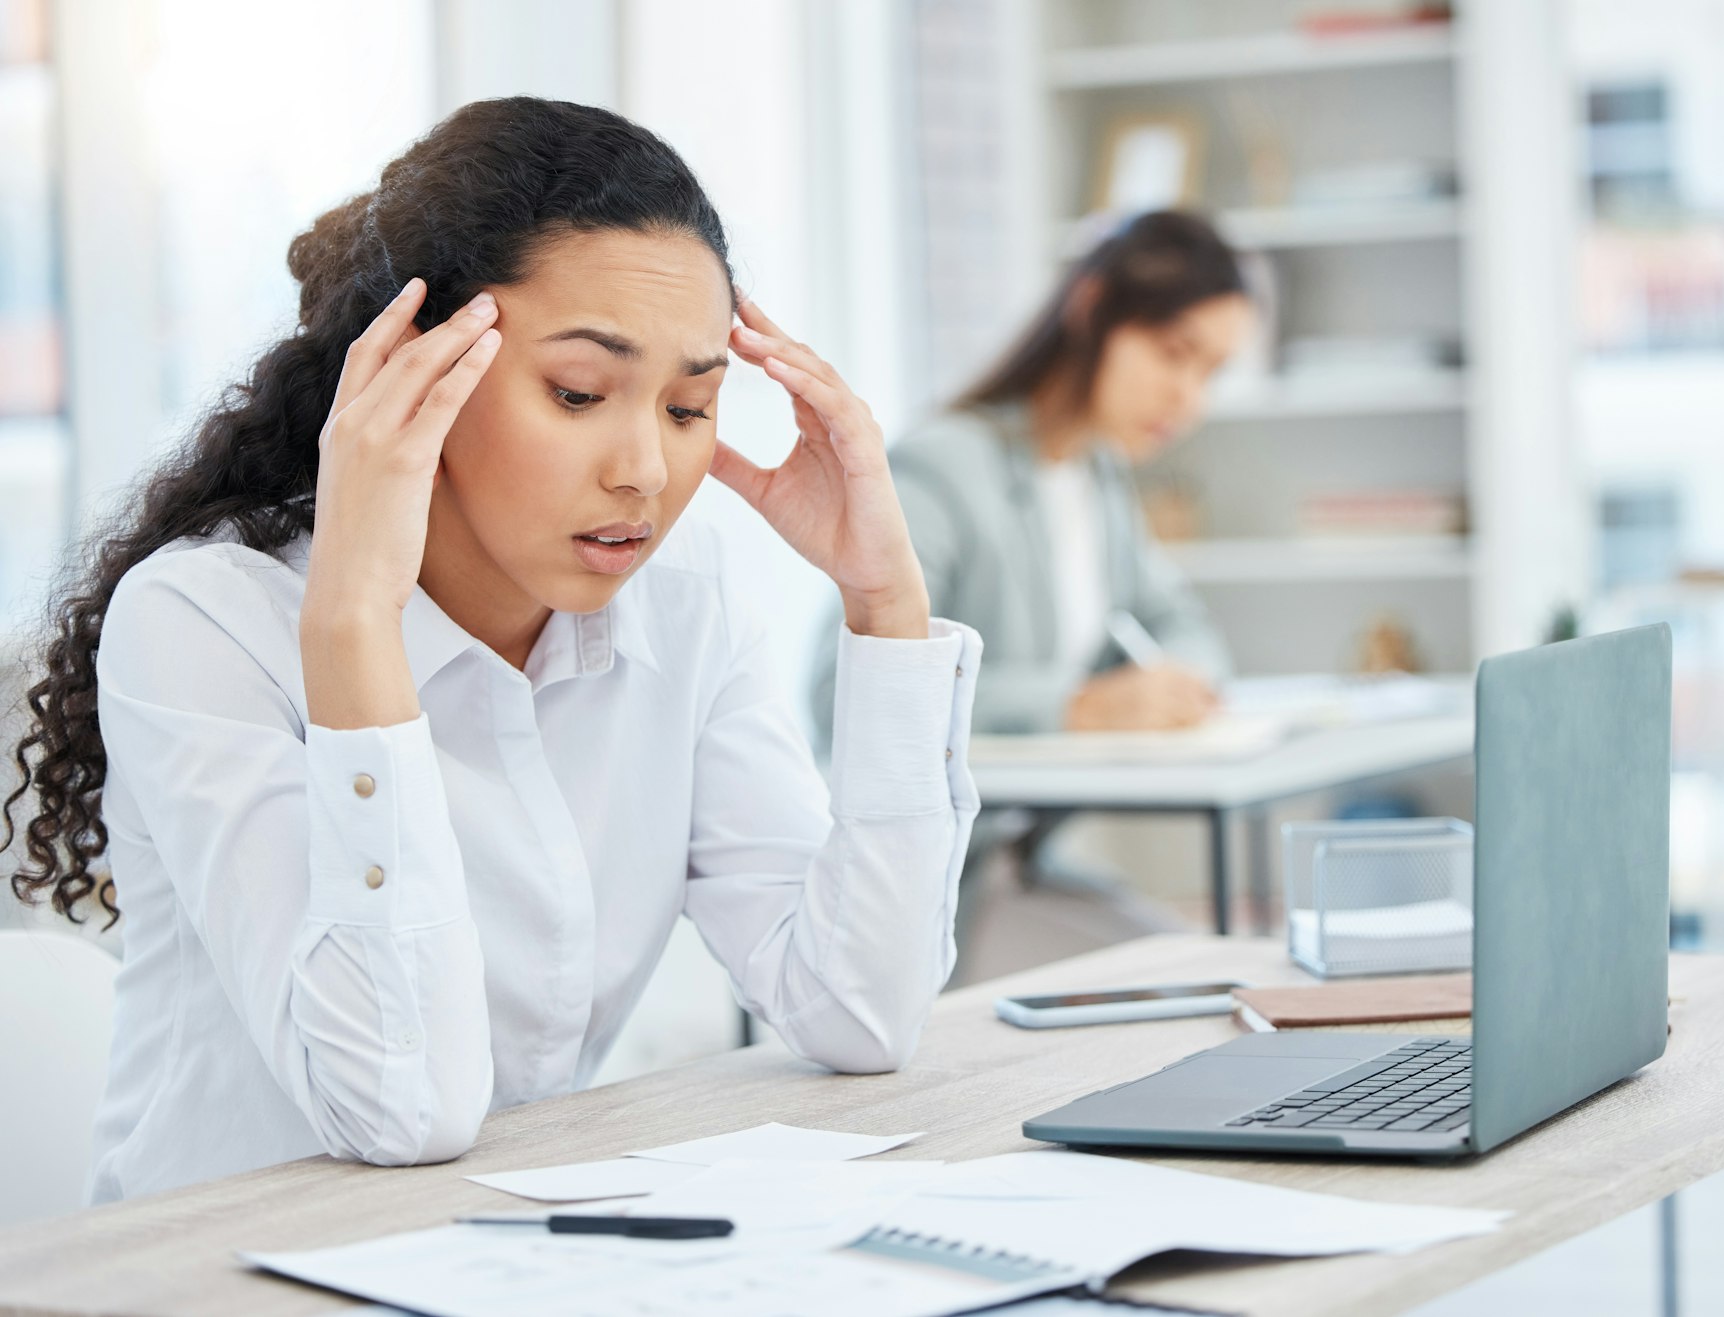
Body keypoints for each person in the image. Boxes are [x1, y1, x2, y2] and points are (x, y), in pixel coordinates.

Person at [0, 98, 981, 1202]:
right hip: (220, 1271)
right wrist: (355, 624)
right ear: (417, 375)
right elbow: (400, 1111)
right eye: (577, 392)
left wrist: (885, 600)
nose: (643, 472)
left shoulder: (683, 605)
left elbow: (861, 1008)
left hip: (510, 1252)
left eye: (688, 406)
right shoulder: (204, 622)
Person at [811, 210, 1252, 742]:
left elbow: (1179, 621)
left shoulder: (1097, 472)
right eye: (1173, 353)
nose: (1189, 399)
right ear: (1092, 308)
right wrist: (1081, 707)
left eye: (1210, 372)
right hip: (946, 825)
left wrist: (1182, 685)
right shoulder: (944, 466)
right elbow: (840, 694)